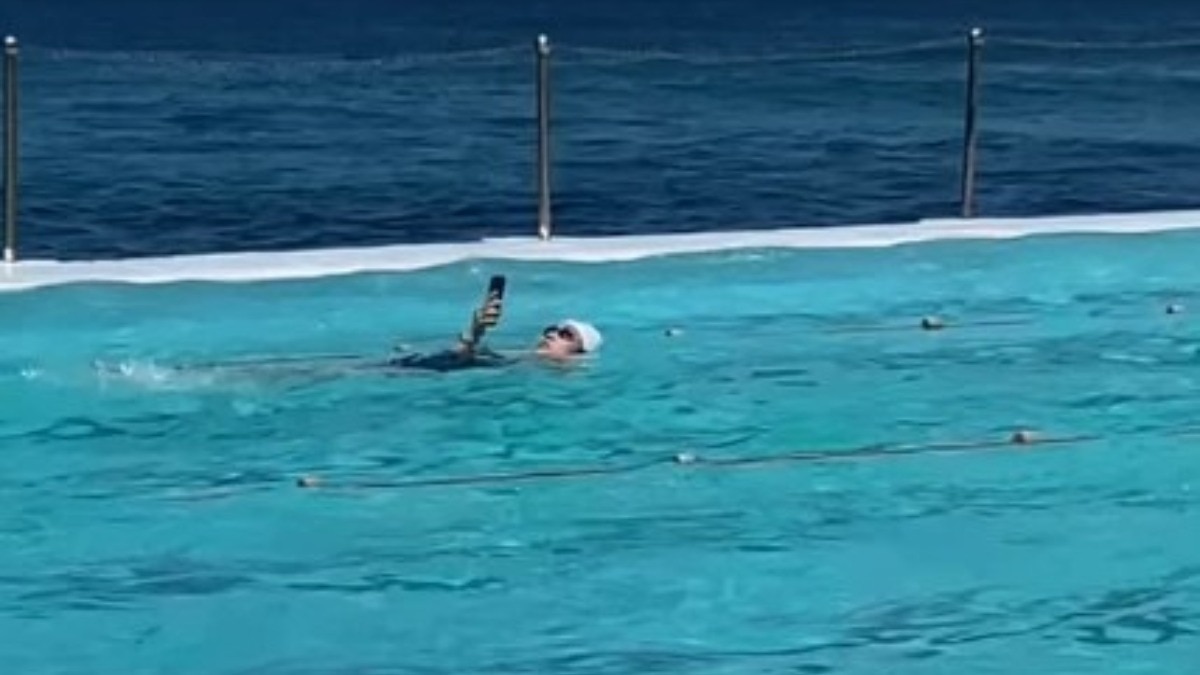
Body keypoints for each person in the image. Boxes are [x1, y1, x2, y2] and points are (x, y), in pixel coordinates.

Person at [386, 283, 603, 372]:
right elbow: (462, 357)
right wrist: (476, 328)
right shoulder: (520, 358)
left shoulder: (525, 363)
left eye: (566, 335)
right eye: (552, 330)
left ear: (579, 354)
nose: (553, 334)